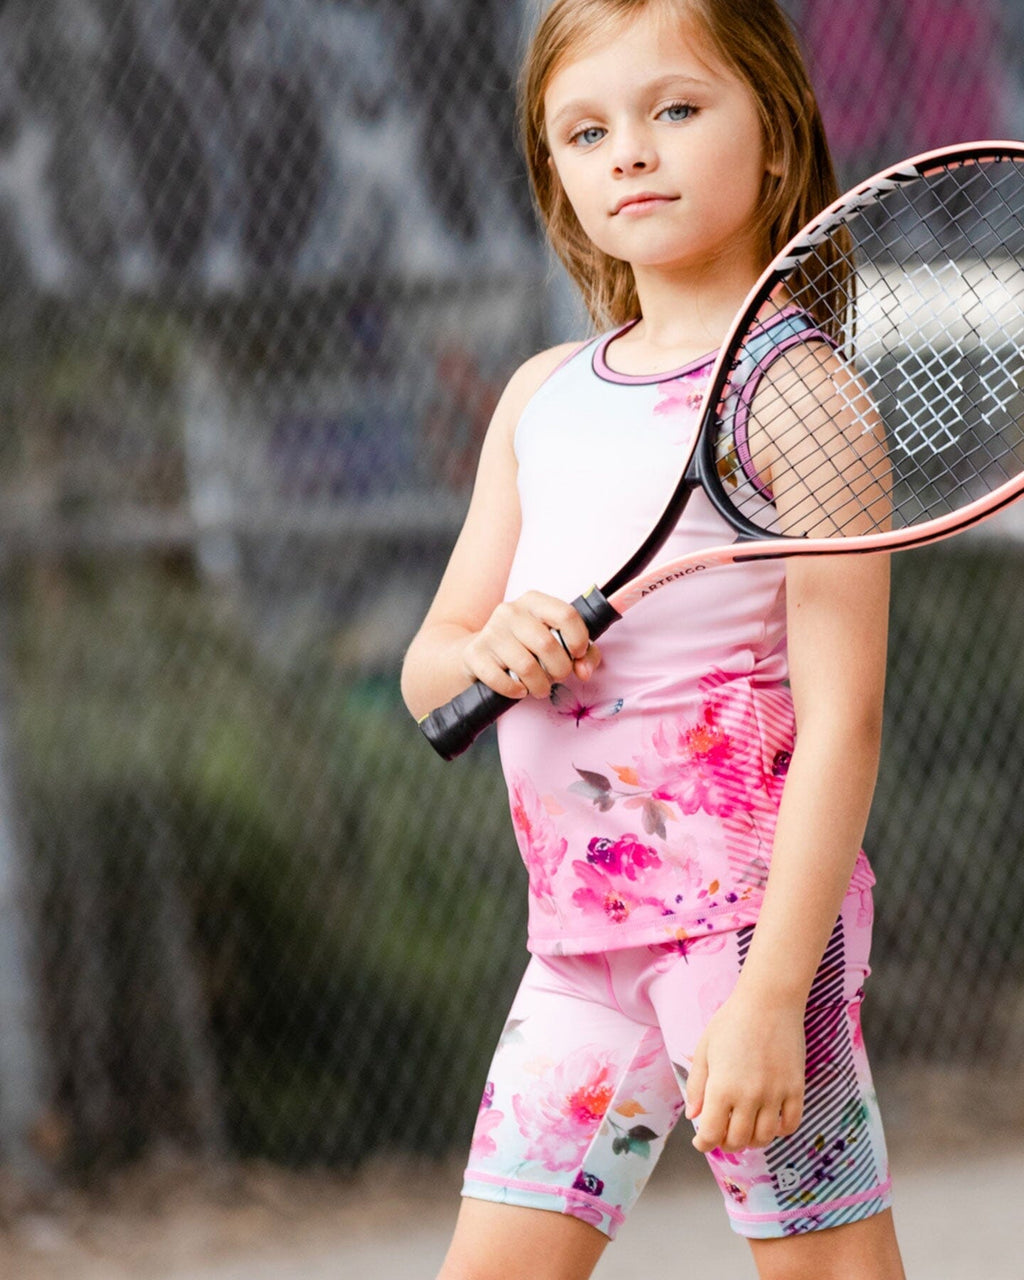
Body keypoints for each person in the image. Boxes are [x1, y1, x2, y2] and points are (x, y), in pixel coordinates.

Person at [401, 1, 905, 1276]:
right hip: (574, 944)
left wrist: (772, 994)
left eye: (676, 109)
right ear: (557, 175)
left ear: (775, 141)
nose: (630, 149)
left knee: (827, 1265)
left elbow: (844, 721)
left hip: (744, 937)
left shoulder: (800, 395)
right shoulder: (539, 397)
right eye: (587, 128)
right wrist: (490, 649)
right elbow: (430, 664)